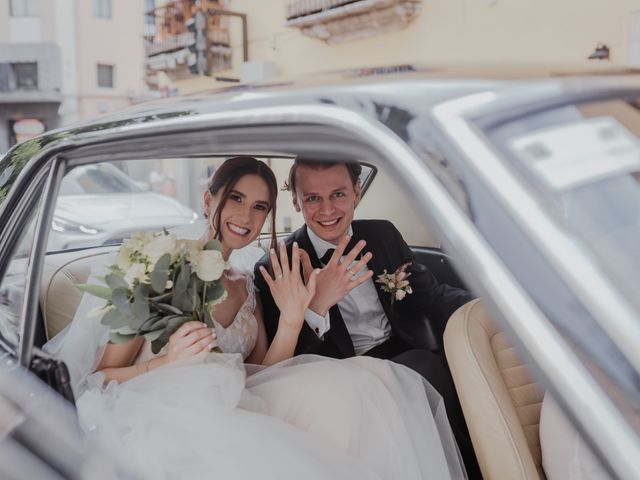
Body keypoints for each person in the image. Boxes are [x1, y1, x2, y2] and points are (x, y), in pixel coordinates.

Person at [46, 156, 467, 480]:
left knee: (367, 384)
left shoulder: (245, 283)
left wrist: (294, 315)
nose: (246, 217)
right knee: (356, 389)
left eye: (260, 207)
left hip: (243, 394)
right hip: (163, 414)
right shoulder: (157, 264)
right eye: (236, 199)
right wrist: (167, 362)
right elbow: (99, 378)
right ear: (209, 199)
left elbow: (267, 371)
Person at [254, 157, 481, 478]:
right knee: (424, 367)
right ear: (296, 201)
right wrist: (317, 306)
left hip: (399, 350)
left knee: (443, 363)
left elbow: (429, 295)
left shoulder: (383, 234)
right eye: (313, 198)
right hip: (339, 377)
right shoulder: (277, 267)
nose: (327, 209)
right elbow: (285, 366)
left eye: (338, 194)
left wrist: (493, 308)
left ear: (357, 192)